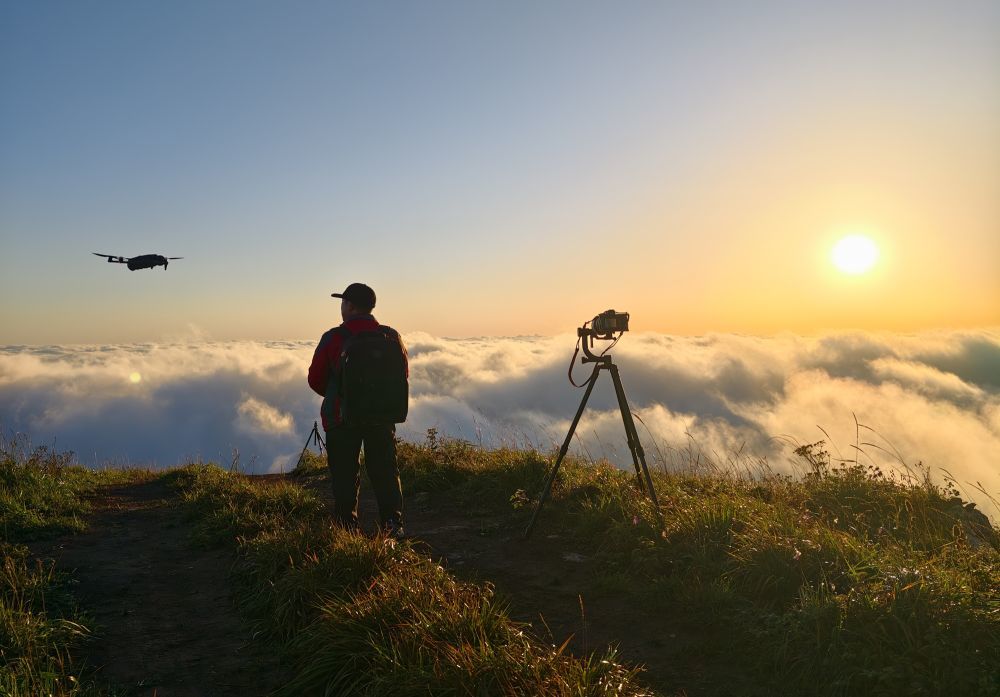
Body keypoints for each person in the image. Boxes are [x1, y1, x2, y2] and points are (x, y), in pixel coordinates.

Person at [308, 282, 408, 537]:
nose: (341, 307)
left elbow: (315, 379)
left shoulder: (333, 337)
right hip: (381, 416)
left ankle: (347, 529)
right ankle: (392, 525)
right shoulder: (391, 335)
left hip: (341, 418)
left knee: (344, 473)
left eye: (343, 302)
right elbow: (402, 375)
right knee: (385, 470)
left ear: (350, 306)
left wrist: (340, 395)